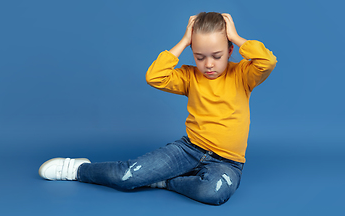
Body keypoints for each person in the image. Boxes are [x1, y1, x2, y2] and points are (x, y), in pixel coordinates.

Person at [39, 12, 277, 205]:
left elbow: (268, 61)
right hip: (188, 150)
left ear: (230, 50)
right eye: (199, 56)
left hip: (227, 162)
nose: (209, 64)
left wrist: (234, 35)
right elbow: (155, 76)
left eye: (217, 55)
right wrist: (184, 40)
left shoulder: (243, 75)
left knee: (213, 192)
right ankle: (77, 169)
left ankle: (164, 182)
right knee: (127, 176)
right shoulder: (189, 76)